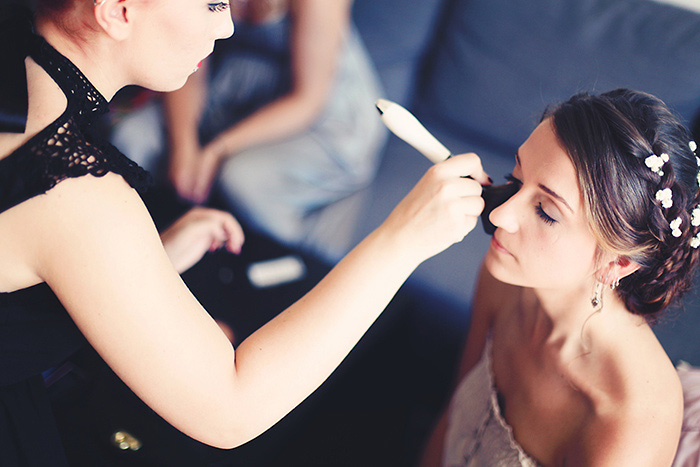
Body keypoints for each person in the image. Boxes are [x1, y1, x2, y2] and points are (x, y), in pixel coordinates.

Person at [0, 1, 489, 464]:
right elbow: (231, 407)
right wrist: (401, 241)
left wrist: (149, 259)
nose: (229, 26)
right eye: (211, 3)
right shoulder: (73, 190)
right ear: (117, 10)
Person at [421, 89, 700, 466]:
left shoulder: (624, 426)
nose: (500, 216)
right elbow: (451, 416)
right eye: (516, 179)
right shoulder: (505, 278)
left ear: (617, 264)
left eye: (547, 212)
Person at [110, 0, 386, 259]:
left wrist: (218, 149)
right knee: (132, 136)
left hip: (319, 107)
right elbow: (191, 61)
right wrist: (184, 145)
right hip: (235, 86)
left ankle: (285, 273)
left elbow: (307, 99)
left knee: (242, 179)